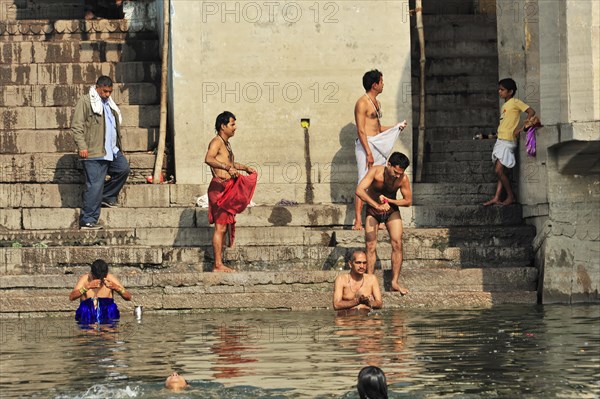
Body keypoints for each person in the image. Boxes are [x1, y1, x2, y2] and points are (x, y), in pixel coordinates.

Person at [72, 75, 130, 230]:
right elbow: (76, 126)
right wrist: (82, 146)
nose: (107, 95)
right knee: (94, 186)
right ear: (97, 87)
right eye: (104, 91)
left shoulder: (109, 104)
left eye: (110, 92)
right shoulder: (85, 102)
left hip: (111, 151)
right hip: (93, 151)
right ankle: (88, 220)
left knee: (123, 169)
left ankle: (106, 196)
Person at [354, 69, 408, 230]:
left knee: (380, 179)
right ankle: (357, 221)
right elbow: (361, 130)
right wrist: (368, 153)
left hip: (377, 142)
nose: (383, 84)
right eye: (381, 82)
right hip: (366, 145)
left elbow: (377, 128)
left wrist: (396, 127)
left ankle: (379, 217)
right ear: (374, 84)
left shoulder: (377, 103)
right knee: (363, 179)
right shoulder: (362, 103)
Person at [204, 111, 257, 272]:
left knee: (223, 227)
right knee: (220, 228)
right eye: (232, 124)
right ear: (223, 126)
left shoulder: (226, 144)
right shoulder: (216, 142)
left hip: (226, 187)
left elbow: (231, 163)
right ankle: (217, 265)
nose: (235, 127)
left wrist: (245, 168)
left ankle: (219, 263)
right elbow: (209, 159)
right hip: (219, 188)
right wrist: (227, 168)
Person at [356, 152, 412, 294]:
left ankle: (394, 282)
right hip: (373, 210)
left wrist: (389, 201)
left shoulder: (403, 179)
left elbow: (407, 201)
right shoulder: (375, 171)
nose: (397, 176)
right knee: (370, 244)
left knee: (397, 243)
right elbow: (359, 190)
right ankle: (369, 281)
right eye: (395, 172)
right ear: (388, 165)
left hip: (391, 210)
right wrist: (377, 205)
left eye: (400, 173)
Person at [484, 78, 536, 206]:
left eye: (502, 90)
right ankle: (497, 197)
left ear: (510, 91)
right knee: (501, 171)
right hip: (501, 140)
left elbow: (531, 111)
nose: (499, 92)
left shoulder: (515, 102)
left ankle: (511, 196)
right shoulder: (505, 105)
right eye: (499, 89)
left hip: (508, 141)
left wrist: (523, 128)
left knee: (498, 170)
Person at [69, 259, 132, 324]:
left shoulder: (110, 278)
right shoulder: (85, 279)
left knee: (111, 309)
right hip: (88, 314)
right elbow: (71, 297)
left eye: (101, 278)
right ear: (92, 273)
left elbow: (128, 297)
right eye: (96, 278)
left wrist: (116, 287)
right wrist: (87, 287)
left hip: (108, 313)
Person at [333, 250, 383, 315]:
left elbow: (379, 304)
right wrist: (357, 301)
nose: (362, 266)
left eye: (364, 263)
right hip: (347, 320)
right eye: (358, 263)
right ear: (350, 264)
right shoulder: (341, 279)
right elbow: (336, 305)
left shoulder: (372, 279)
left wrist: (368, 303)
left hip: (366, 320)